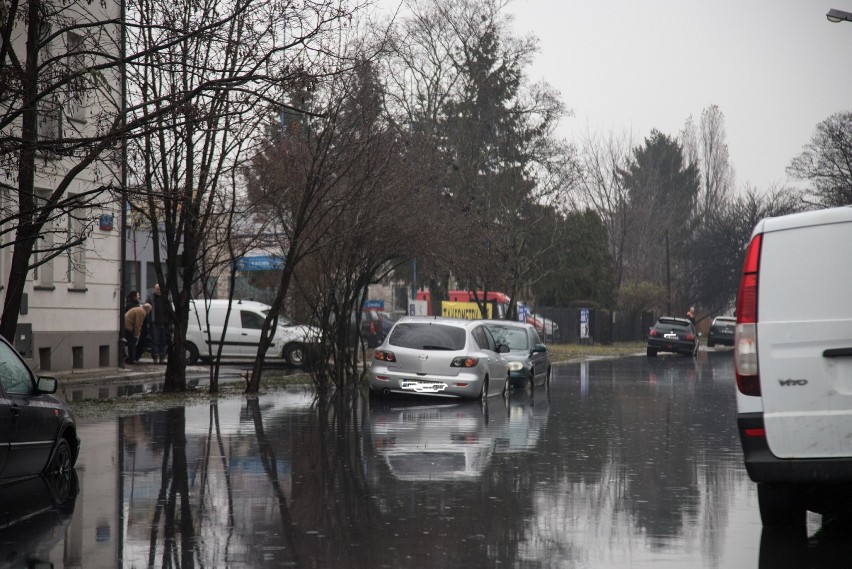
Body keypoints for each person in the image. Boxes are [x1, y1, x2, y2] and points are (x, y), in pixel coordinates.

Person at [146, 284, 167, 364]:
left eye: (160, 289)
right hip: (154, 323)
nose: (159, 291)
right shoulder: (151, 298)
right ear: (154, 289)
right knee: (155, 341)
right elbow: (147, 310)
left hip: (163, 323)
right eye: (157, 289)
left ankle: (162, 357)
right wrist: (150, 321)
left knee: (163, 341)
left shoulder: (165, 298)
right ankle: (155, 357)